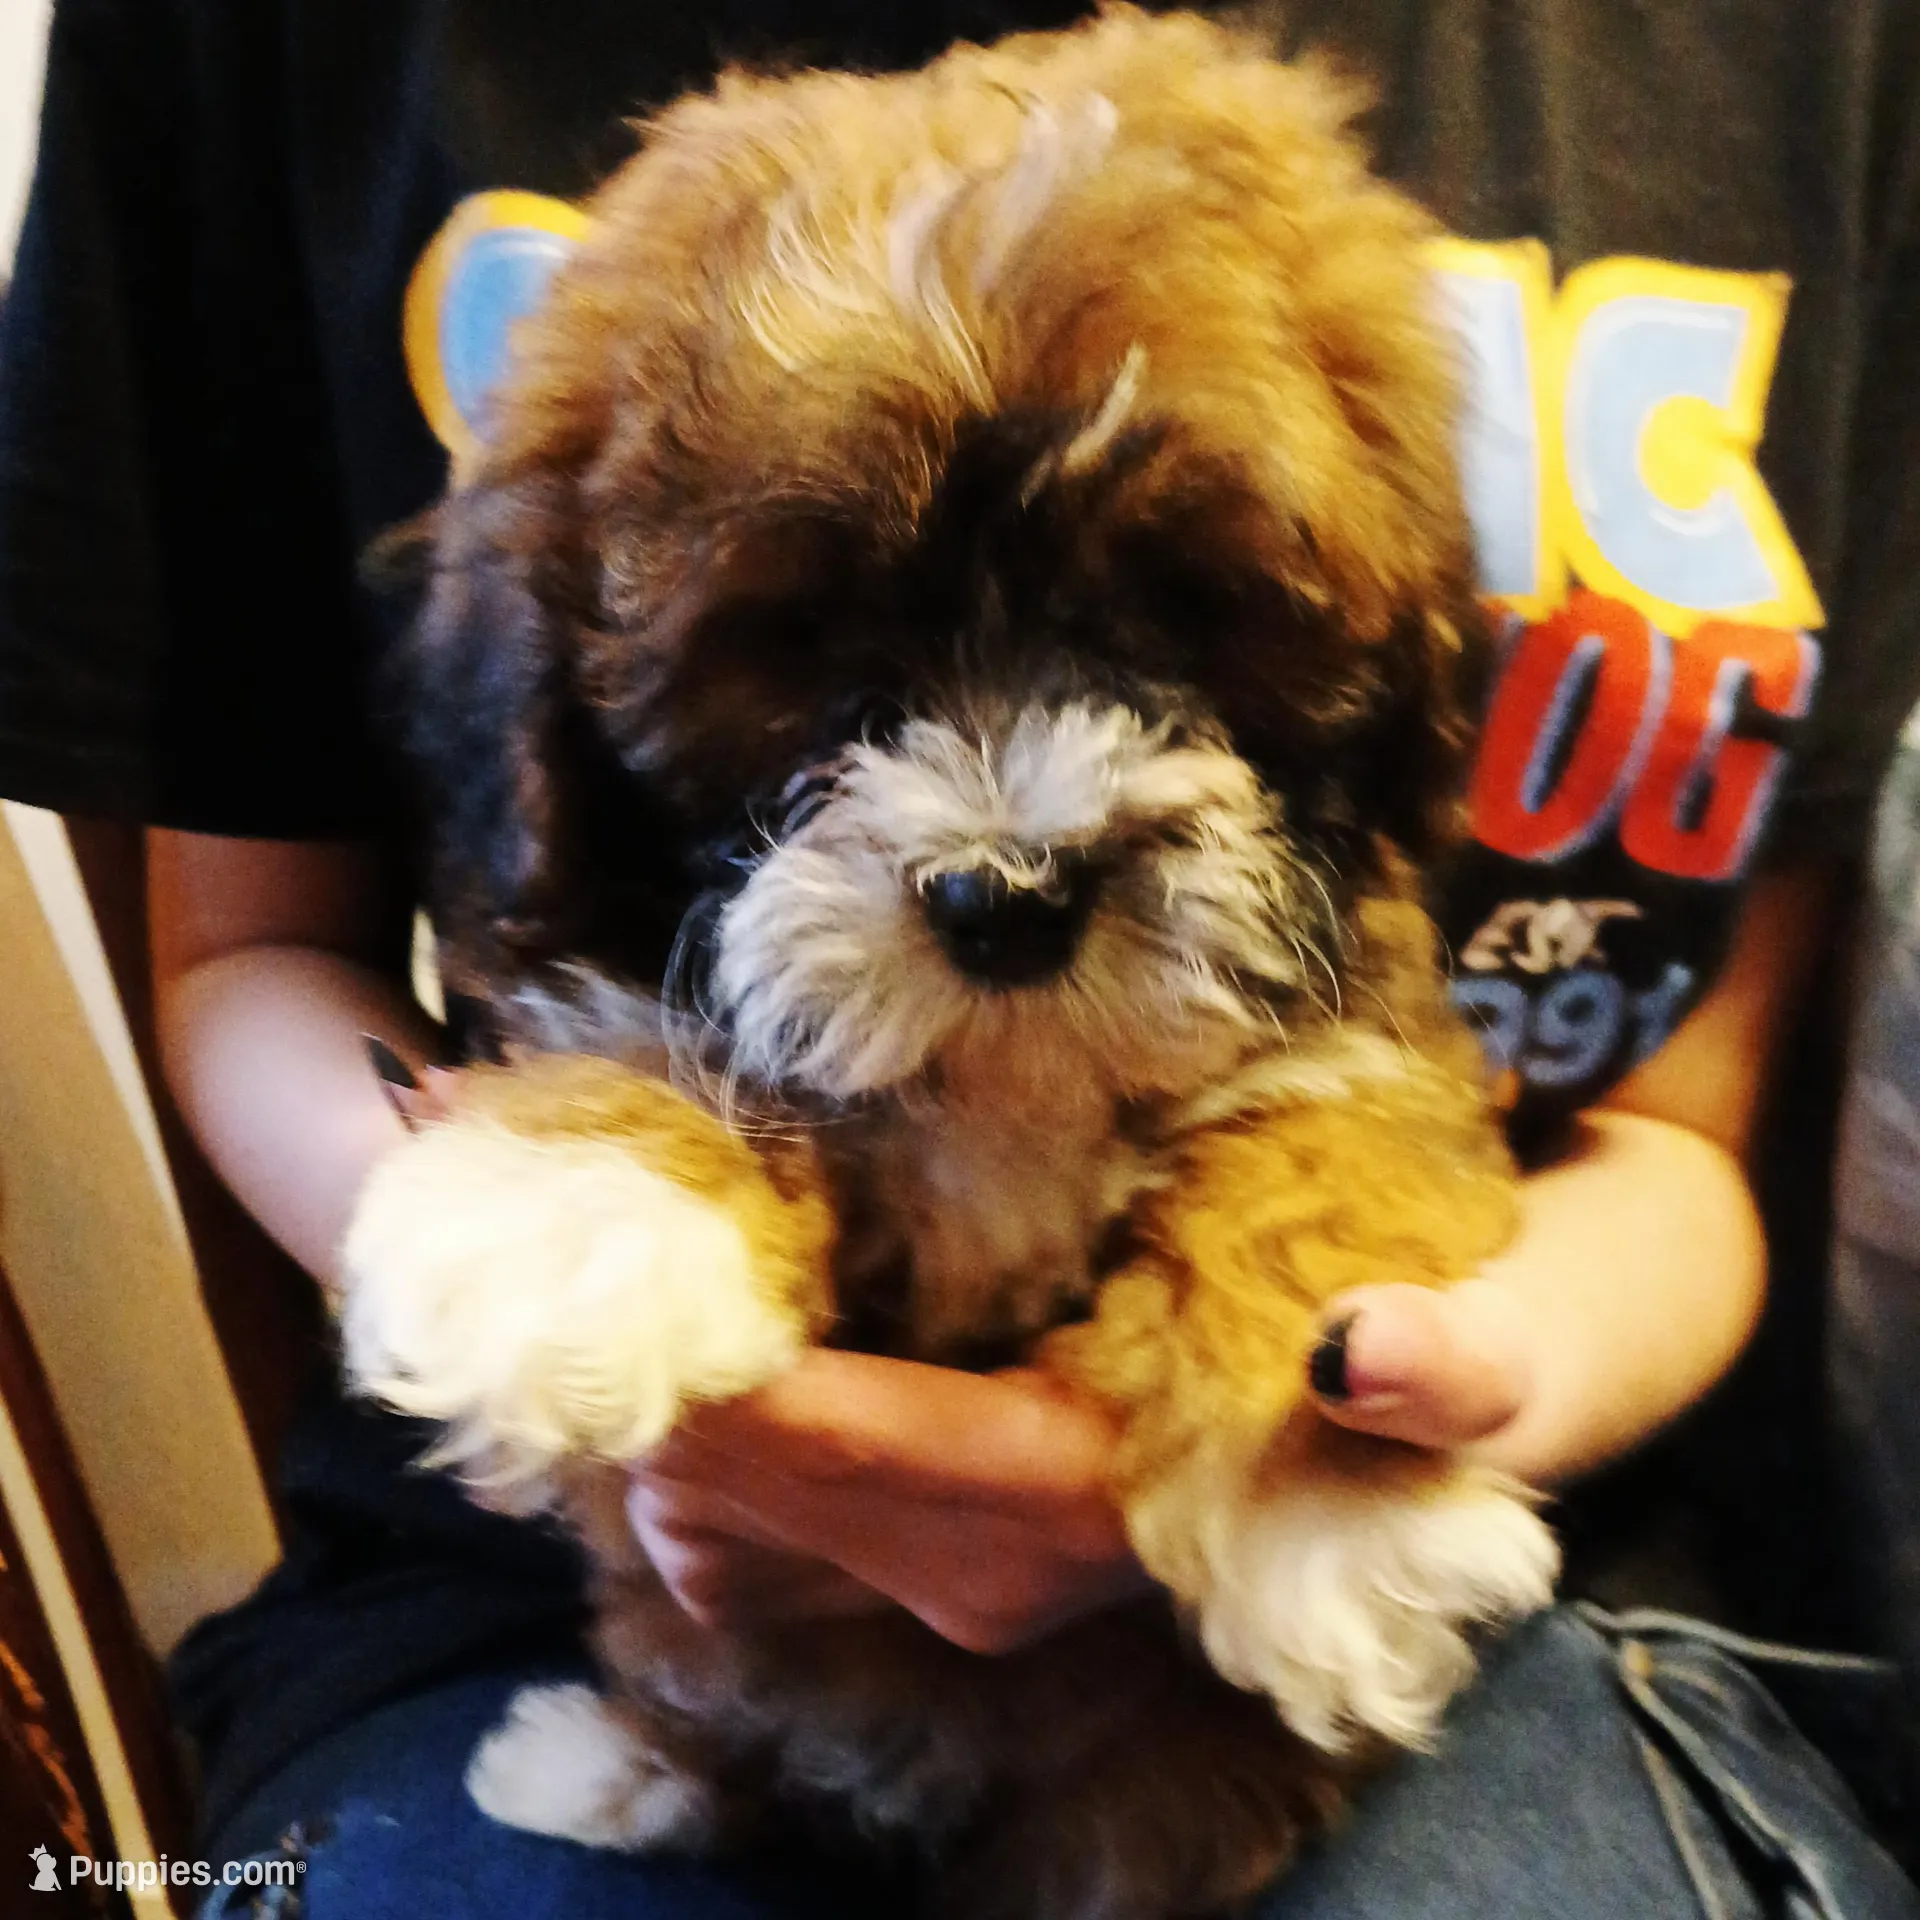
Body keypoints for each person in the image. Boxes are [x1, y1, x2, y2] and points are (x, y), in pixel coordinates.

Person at [1, 1, 1916, 1913]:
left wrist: (1330, 1429)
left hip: (1416, 1629)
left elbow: (1678, 1139)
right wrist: (630, 1333)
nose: (1008, 836)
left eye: (1178, 626)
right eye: (823, 681)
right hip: (558, 1604)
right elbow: (245, 964)